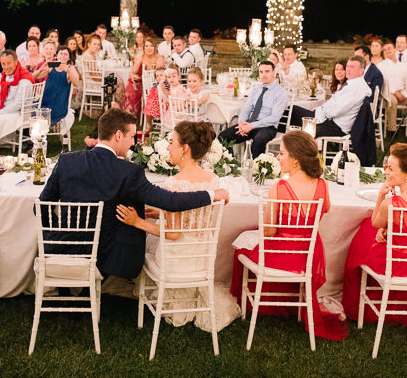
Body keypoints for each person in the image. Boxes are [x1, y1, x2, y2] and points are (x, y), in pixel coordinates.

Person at [38, 109, 228, 280]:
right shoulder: (129, 171)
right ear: (118, 136)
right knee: (126, 219)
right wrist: (212, 195)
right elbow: (171, 201)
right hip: (103, 255)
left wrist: (57, 234)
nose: (133, 141)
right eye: (131, 136)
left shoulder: (66, 161)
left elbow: (39, 208)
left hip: (60, 247)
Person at [116, 121, 240, 331]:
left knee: (144, 243)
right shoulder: (213, 180)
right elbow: (193, 217)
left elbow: (172, 235)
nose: (168, 147)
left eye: (172, 142)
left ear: (185, 148)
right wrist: (160, 212)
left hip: (176, 261)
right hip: (200, 257)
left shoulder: (174, 184)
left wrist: (137, 222)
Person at [230, 131, 347, 341]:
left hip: (280, 256)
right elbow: (326, 208)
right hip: (307, 257)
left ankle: (244, 303)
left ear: (294, 159)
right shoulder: (322, 185)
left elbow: (269, 231)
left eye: (282, 153)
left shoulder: (279, 187)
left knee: (241, 243)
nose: (278, 157)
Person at [341, 143, 407, 329]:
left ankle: (356, 304)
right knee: (371, 232)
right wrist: (390, 229)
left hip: (396, 264)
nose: (385, 171)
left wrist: (380, 197)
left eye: (391, 168)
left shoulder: (391, 203)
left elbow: (376, 222)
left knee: (365, 232)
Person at [218, 61, 289, 157]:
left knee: (258, 141)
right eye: (261, 72)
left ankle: (256, 169)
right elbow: (246, 108)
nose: (263, 75)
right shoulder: (256, 89)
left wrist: (251, 125)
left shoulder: (281, 92)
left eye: (267, 71)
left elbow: (274, 117)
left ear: (274, 73)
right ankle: (230, 163)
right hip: (249, 124)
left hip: (268, 126)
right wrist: (241, 123)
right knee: (224, 136)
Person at [288, 56, 371, 138]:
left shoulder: (355, 88)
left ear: (361, 70)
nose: (348, 70)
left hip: (335, 126)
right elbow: (334, 104)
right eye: (348, 67)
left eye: (352, 67)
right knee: (292, 110)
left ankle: (292, 144)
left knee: (290, 113)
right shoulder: (354, 85)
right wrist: (321, 110)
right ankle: (289, 144)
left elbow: (335, 111)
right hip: (330, 121)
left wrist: (322, 111)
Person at [123, 37, 164, 117]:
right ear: (144, 48)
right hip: (143, 82)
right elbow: (132, 72)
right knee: (132, 84)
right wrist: (132, 75)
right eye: (146, 46)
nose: (149, 48)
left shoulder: (159, 58)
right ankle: (129, 113)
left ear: (155, 47)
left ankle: (132, 113)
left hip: (156, 84)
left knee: (137, 87)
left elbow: (158, 74)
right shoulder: (141, 57)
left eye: (151, 46)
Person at [40, 46, 80, 126]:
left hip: (59, 102)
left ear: (68, 58)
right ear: (57, 56)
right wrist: (41, 69)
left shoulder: (70, 68)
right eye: (61, 53)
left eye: (65, 54)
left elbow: (76, 83)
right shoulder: (51, 67)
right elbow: (35, 77)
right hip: (46, 99)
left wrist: (68, 71)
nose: (63, 56)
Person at [379, 42, 407, 131]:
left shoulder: (403, 66)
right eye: (385, 50)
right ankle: (392, 131)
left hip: (402, 94)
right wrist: (395, 92)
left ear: (395, 50)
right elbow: (382, 84)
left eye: (389, 48)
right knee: (392, 101)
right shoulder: (380, 66)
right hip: (388, 94)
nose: (387, 51)